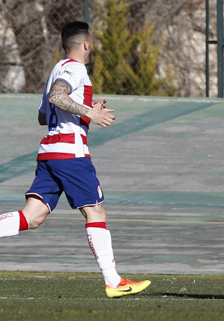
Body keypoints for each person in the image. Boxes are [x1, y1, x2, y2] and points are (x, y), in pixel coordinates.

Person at [0, 21, 151, 298]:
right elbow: (58, 96)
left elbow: (43, 116)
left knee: (32, 217)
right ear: (86, 43)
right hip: (71, 154)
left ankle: (114, 281)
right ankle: (113, 281)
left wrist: (83, 110)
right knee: (96, 212)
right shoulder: (75, 68)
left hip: (50, 152)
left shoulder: (56, 69)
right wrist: (89, 114)